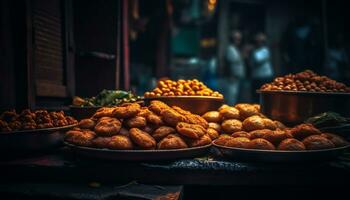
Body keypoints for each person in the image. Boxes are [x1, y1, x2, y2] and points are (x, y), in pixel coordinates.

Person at [250, 32, 273, 102]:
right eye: (257, 41)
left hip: (264, 77)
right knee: (255, 97)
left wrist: (251, 51)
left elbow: (257, 60)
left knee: (264, 97)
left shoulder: (265, 50)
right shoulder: (255, 50)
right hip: (256, 77)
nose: (258, 42)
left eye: (260, 41)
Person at [225, 30, 245, 104]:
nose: (238, 41)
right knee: (232, 96)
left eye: (239, 39)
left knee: (236, 96)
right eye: (236, 39)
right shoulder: (230, 49)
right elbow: (231, 62)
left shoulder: (236, 49)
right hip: (233, 76)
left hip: (238, 76)